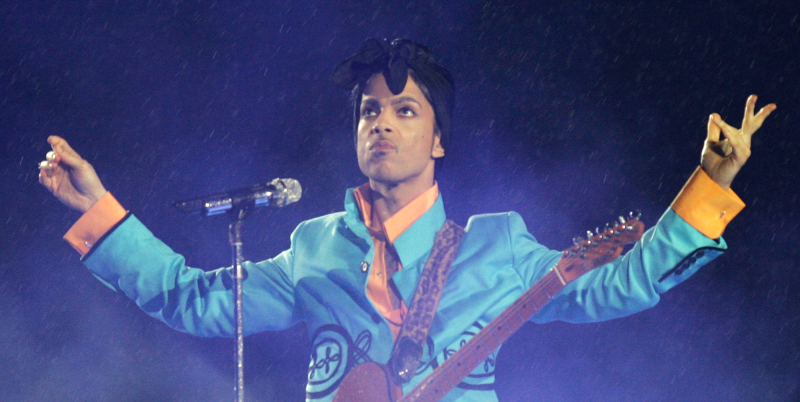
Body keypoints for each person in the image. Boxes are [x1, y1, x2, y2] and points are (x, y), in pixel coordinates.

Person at [39, 38, 776, 402]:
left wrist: (710, 181)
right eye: (369, 111)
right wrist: (99, 209)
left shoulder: (500, 245)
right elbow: (193, 300)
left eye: (405, 110)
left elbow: (624, 284)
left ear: (439, 139)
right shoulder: (315, 249)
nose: (382, 125)